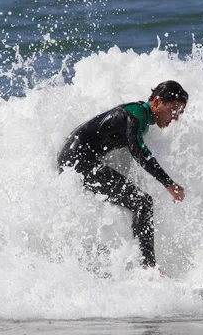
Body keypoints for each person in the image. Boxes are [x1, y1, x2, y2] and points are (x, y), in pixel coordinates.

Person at [57, 80, 188, 269]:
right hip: (77, 160)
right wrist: (169, 184)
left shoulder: (139, 116)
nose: (175, 118)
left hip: (79, 159)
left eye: (179, 113)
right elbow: (139, 152)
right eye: (173, 110)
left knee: (139, 202)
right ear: (158, 101)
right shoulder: (134, 114)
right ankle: (148, 270)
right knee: (142, 202)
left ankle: (121, 267)